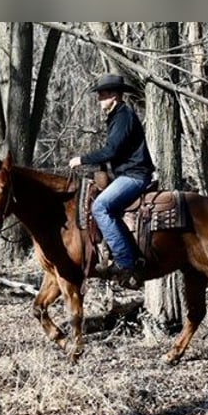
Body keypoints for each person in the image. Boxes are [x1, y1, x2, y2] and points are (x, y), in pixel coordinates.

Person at [69, 73, 155, 289]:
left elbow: (112, 150)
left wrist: (82, 159)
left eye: (102, 95)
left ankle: (127, 263)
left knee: (100, 207)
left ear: (114, 96)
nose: (99, 100)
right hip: (127, 174)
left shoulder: (124, 116)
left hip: (135, 176)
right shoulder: (117, 116)